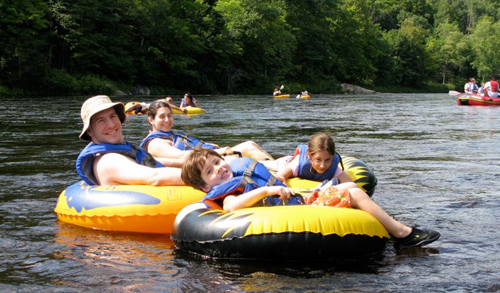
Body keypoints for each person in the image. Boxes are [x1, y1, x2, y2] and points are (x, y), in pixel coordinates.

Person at [181, 149, 441, 249]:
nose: (219, 169)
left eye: (218, 162)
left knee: (348, 186)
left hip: (298, 201)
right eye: (210, 171)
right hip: (295, 208)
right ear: (205, 185)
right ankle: (403, 234)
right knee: (353, 192)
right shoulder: (228, 190)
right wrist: (266, 191)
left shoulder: (235, 175)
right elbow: (231, 206)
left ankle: (390, 224)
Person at [76, 95, 184, 186]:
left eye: (113, 116)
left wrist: (189, 163)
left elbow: (152, 162)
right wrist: (199, 174)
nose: (111, 124)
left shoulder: (119, 152)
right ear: (90, 131)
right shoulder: (108, 160)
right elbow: (155, 178)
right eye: (101, 121)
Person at [140, 100, 275, 163]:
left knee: (249, 144)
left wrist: (211, 146)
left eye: (169, 116)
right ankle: (277, 171)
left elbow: (192, 146)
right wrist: (218, 151)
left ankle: (278, 167)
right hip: (203, 165)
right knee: (245, 153)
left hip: (210, 156)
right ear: (151, 120)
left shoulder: (171, 134)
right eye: (162, 117)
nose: (167, 120)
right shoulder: (156, 143)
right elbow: (181, 156)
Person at [273, 133, 355, 192]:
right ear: (309, 155)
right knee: (264, 159)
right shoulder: (298, 163)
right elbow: (280, 176)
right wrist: (287, 191)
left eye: (327, 160)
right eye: (318, 160)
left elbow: (353, 186)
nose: (322, 166)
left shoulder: (333, 168)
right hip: (283, 163)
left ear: (332, 157)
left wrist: (330, 190)